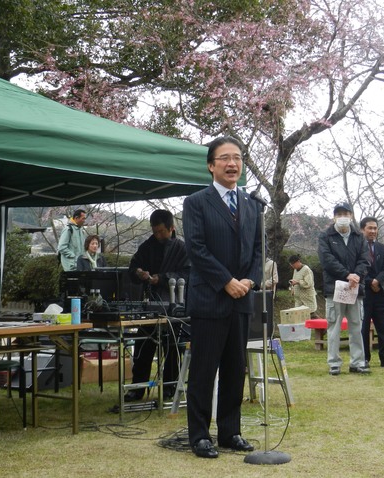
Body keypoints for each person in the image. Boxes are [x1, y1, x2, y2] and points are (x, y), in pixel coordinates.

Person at [183, 136, 262, 459]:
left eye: (238, 158)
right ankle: (200, 436)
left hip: (241, 299)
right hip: (210, 299)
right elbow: (196, 249)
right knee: (204, 370)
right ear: (211, 165)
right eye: (225, 158)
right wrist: (226, 281)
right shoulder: (196, 202)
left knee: (234, 369)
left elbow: (259, 251)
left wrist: (249, 280)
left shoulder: (252, 205)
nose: (233, 164)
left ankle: (231, 432)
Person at [125, 210, 190, 402]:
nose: (158, 235)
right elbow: (133, 266)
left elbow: (187, 274)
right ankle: (137, 388)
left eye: (162, 231)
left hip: (175, 304)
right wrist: (138, 272)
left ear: (171, 228)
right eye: (155, 232)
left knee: (171, 347)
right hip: (150, 305)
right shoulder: (148, 246)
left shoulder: (182, 249)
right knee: (143, 344)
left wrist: (161, 279)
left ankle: (170, 388)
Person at [318, 202, 370, 376]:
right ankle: (334, 362)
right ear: (334, 216)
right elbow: (327, 260)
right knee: (334, 326)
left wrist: (356, 275)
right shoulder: (325, 236)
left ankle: (357, 362)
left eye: (346, 213)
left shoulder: (359, 236)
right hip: (335, 288)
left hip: (355, 288)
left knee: (356, 325)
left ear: (351, 216)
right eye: (339, 213)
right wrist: (347, 274)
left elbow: (365, 259)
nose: (343, 217)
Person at [360, 217, 384, 368]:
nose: (373, 231)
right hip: (364, 292)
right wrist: (370, 282)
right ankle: (364, 358)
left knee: (383, 326)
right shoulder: (357, 247)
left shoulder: (382, 247)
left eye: (375, 228)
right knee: (363, 327)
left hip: (379, 293)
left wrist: (378, 281)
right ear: (363, 229)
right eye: (370, 228)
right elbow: (358, 268)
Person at [288, 254, 319, 318]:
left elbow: (308, 283)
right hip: (299, 299)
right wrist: (292, 287)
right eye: (291, 265)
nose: (292, 266)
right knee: (299, 318)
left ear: (298, 261)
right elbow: (295, 280)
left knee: (312, 316)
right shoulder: (295, 270)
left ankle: (322, 327)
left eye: (293, 264)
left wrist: (298, 282)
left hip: (307, 298)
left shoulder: (306, 269)